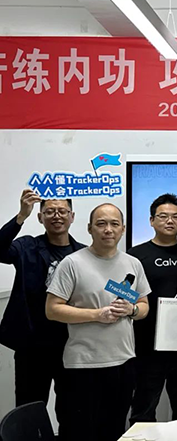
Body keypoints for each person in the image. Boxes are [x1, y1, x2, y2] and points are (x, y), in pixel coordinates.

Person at [46, 203, 151, 441]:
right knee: (80, 432)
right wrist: (96, 315)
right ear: (89, 228)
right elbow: (52, 310)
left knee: (114, 430)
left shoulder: (132, 264)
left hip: (123, 362)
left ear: (123, 229)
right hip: (83, 365)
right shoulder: (72, 263)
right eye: (101, 224)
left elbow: (144, 306)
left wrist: (132, 310)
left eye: (114, 224)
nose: (108, 230)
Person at [0, 189, 85, 438]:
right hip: (32, 346)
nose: (56, 216)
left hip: (72, 345)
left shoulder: (84, 254)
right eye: (49, 211)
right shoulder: (27, 246)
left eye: (62, 211)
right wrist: (20, 216)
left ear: (72, 216)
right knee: (29, 410)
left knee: (72, 409)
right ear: (40, 217)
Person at [128, 194, 177, 424]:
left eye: (175, 216)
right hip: (146, 343)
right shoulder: (136, 255)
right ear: (151, 221)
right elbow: (124, 290)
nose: (170, 221)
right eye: (163, 216)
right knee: (143, 407)